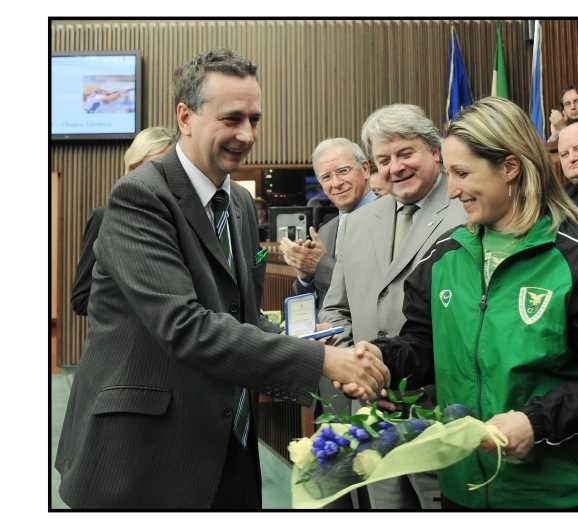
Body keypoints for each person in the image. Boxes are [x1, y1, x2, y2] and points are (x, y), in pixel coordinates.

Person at [55, 49, 388, 510]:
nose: (247, 134)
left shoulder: (237, 205)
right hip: (144, 456)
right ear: (185, 116)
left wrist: (335, 354)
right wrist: (321, 362)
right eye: (232, 119)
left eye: (254, 119)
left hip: (228, 446)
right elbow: (185, 326)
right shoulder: (139, 197)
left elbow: (243, 318)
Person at [342, 97, 578, 509]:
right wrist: (380, 359)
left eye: (462, 173)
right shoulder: (444, 257)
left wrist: (535, 423)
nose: (451, 190)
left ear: (510, 168)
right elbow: (423, 343)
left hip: (564, 496)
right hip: (465, 492)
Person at [319, 103, 467, 509]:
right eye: (384, 159)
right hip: (371, 409)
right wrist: (360, 369)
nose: (395, 167)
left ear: (435, 151)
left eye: (406, 154)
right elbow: (334, 310)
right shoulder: (358, 224)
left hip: (441, 408)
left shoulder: (466, 210)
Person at [70, 126, 176, 316]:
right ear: (134, 167)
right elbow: (81, 298)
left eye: (170, 169)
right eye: (155, 166)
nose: (164, 177)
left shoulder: (181, 223)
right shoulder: (104, 218)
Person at [280, 138, 377, 306]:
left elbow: (379, 292)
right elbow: (310, 306)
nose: (336, 183)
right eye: (326, 177)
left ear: (366, 169)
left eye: (343, 171)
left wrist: (320, 266)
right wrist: (305, 276)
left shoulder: (395, 218)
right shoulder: (325, 231)